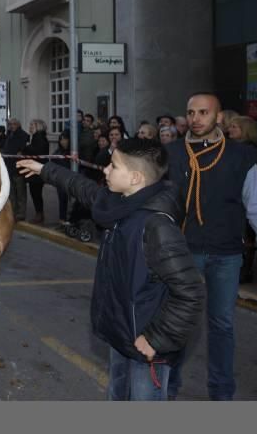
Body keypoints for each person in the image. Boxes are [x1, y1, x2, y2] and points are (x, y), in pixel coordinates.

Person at [17, 138, 204, 400]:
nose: (105, 170)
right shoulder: (120, 203)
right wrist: (44, 170)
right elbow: (83, 188)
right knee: (118, 396)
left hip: (145, 344)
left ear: (136, 178)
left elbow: (191, 291)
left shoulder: (157, 226)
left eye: (113, 166)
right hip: (121, 333)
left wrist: (156, 339)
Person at [165, 93, 257, 401]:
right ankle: (167, 387)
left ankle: (221, 395)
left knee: (222, 326)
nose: (196, 118)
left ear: (219, 118)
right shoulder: (170, 154)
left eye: (203, 112)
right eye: (191, 112)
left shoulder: (240, 156)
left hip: (226, 254)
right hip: (183, 253)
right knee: (180, 324)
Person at [228, 115, 257, 283]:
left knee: (247, 238)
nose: (230, 129)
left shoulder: (250, 152)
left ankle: (245, 271)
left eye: (235, 127)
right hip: (237, 201)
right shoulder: (231, 148)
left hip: (247, 199)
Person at [2, 118, 29, 222]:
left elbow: (21, 149)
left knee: (20, 191)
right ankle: (13, 211)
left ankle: (21, 213)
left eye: (13, 124)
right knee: (12, 191)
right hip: (9, 166)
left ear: (18, 124)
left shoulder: (23, 135)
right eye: (10, 124)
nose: (11, 126)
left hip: (18, 167)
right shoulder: (10, 134)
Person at [24, 119, 50, 224]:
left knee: (36, 193)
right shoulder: (37, 137)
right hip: (36, 169)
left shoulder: (39, 137)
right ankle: (39, 214)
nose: (30, 127)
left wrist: (26, 147)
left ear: (37, 126)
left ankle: (39, 215)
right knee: (35, 193)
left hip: (37, 170)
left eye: (32, 125)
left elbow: (36, 152)